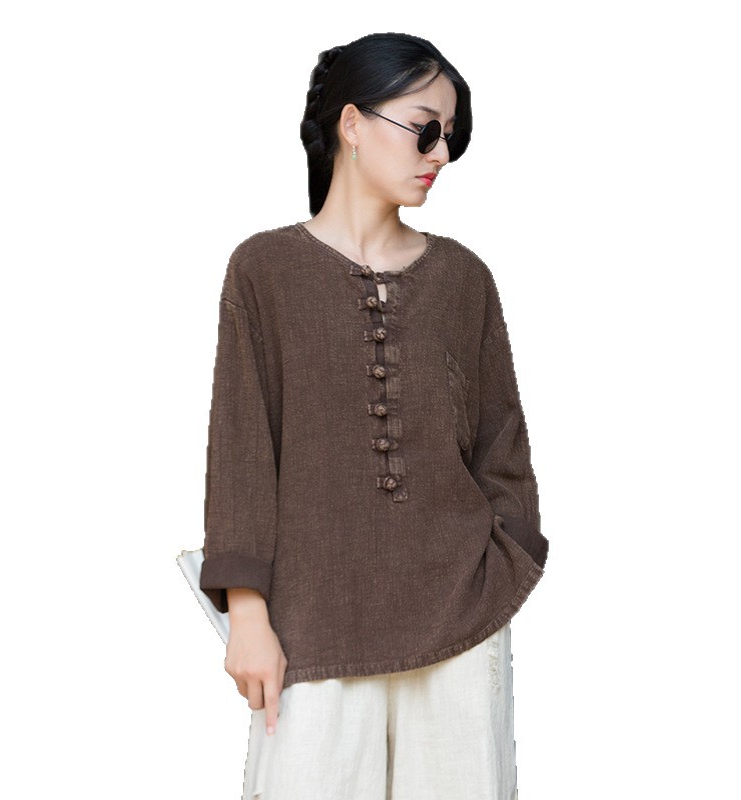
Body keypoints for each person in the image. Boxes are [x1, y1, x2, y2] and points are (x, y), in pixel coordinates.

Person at [199, 31, 549, 800]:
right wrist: (248, 617)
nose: (441, 153)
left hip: (461, 621)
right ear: (353, 125)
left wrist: (506, 560)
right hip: (313, 620)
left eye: (451, 135)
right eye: (425, 129)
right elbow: (242, 448)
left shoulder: (463, 278)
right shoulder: (264, 270)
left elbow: (502, 445)